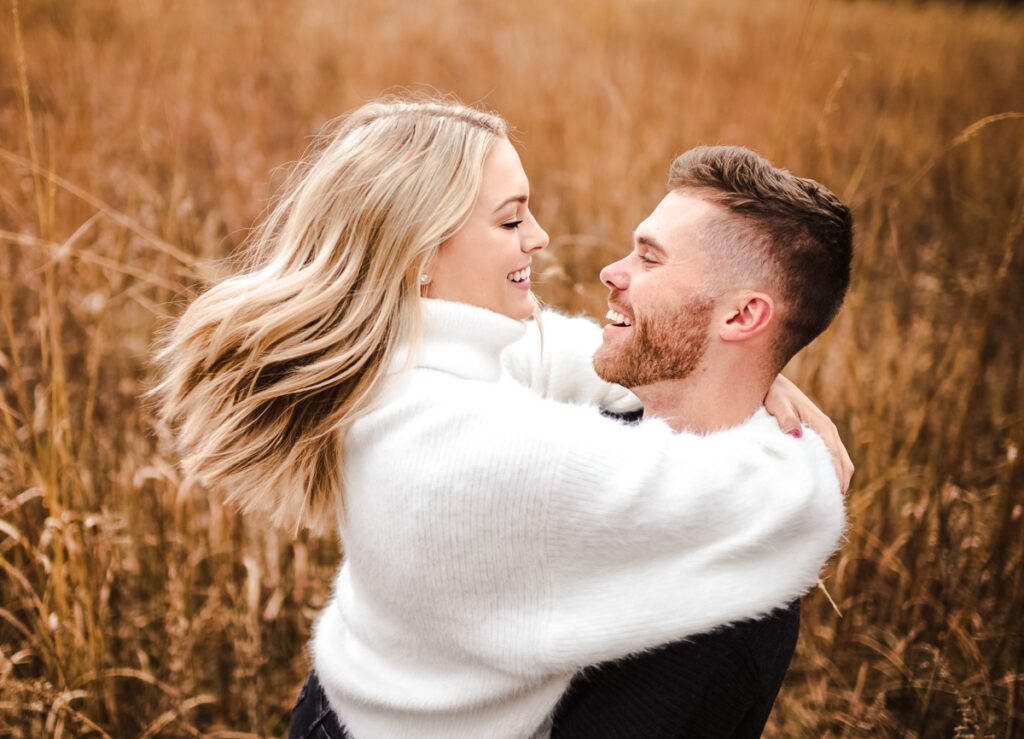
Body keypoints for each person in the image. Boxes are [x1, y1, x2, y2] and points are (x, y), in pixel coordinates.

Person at [147, 96, 849, 739]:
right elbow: (771, 503)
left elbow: (558, 353)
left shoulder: (404, 360)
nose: (541, 237)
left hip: (346, 708)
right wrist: (803, 450)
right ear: (421, 252)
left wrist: (763, 372)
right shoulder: (467, 448)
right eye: (511, 218)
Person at [548, 146, 853, 738]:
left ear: (742, 318)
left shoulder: (720, 604)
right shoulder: (601, 422)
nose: (611, 272)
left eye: (649, 259)